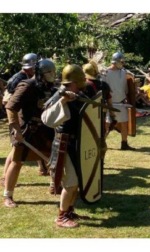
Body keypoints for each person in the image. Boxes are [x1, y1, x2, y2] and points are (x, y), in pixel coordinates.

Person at [3, 59, 57, 207]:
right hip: (27, 129)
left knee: (51, 158)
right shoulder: (27, 85)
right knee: (17, 161)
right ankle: (8, 195)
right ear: (40, 73)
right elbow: (10, 107)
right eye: (48, 72)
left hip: (45, 129)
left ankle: (54, 185)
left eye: (53, 72)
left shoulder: (51, 87)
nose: (52, 75)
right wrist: (15, 129)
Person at [41, 64, 90, 228]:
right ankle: (61, 217)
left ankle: (69, 210)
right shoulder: (59, 95)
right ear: (75, 80)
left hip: (77, 143)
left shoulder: (78, 93)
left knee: (77, 180)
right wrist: (63, 100)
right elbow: (47, 119)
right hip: (64, 144)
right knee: (71, 182)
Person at [1, 53, 50, 181]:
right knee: (15, 155)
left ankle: (42, 169)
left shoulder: (32, 78)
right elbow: (9, 102)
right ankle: (5, 178)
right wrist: (15, 123)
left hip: (29, 119)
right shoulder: (19, 78)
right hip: (20, 120)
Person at [102, 52, 135, 150]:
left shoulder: (123, 72)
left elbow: (130, 80)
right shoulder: (105, 73)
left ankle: (124, 143)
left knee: (124, 123)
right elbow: (103, 88)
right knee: (108, 125)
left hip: (121, 102)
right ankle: (101, 143)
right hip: (110, 103)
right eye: (122, 62)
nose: (123, 64)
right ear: (116, 61)